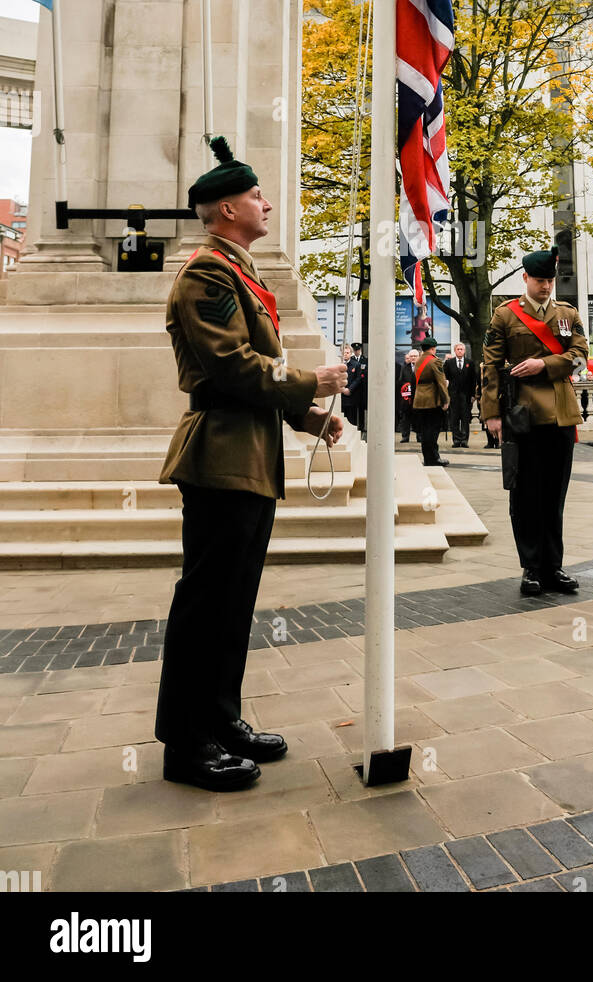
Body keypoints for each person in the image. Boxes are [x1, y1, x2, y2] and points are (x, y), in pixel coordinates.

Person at [155, 136, 346, 792]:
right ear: (228, 208)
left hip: (251, 452)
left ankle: (220, 719)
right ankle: (186, 743)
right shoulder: (207, 273)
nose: (267, 204)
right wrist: (308, 384)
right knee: (207, 602)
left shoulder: (238, 271)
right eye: (257, 195)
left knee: (234, 602)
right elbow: (231, 367)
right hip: (221, 454)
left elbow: (254, 371)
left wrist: (307, 416)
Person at [481, 246, 589, 597]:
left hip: (559, 413)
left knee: (554, 495)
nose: (545, 287)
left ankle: (553, 566)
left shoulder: (567, 314)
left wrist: (544, 364)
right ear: (525, 278)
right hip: (522, 415)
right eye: (539, 280)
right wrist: (492, 414)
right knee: (525, 495)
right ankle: (530, 568)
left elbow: (580, 358)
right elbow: (491, 367)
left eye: (550, 280)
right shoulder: (505, 316)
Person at [412, 337, 450, 466]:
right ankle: (434, 458)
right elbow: (441, 382)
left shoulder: (418, 361)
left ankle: (428, 458)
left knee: (425, 431)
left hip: (420, 399)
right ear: (433, 348)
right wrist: (446, 400)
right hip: (432, 400)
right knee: (432, 431)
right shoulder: (435, 361)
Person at [444, 343, 479, 448]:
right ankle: (456, 440)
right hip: (453, 395)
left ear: (464, 351)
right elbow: (445, 379)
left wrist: (473, 395)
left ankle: (464, 440)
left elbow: (473, 380)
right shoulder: (449, 363)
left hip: (466, 395)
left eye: (462, 349)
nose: (460, 351)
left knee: (465, 418)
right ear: (455, 350)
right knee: (454, 418)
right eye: (458, 349)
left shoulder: (470, 363)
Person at [346, 343, 368, 435]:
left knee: (361, 409)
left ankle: (362, 426)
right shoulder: (352, 361)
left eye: (358, 350)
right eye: (355, 350)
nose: (357, 351)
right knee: (352, 410)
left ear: (360, 350)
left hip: (362, 389)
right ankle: (352, 427)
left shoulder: (365, 360)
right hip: (353, 389)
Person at [397, 349, 419, 442]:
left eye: (415, 356)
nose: (413, 358)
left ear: (419, 357)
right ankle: (405, 436)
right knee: (406, 417)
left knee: (419, 417)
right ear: (409, 358)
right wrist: (406, 386)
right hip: (407, 397)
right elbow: (400, 380)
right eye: (411, 356)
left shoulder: (422, 367)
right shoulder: (404, 368)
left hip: (418, 397)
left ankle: (420, 436)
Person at [478, 361, 500, 447]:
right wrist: (478, 395)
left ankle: (498, 441)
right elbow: (479, 383)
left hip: (496, 396)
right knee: (485, 422)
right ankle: (490, 442)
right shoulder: (482, 368)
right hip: (484, 396)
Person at [340, 344, 356, 426]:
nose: (345, 354)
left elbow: (357, 380)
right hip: (339, 396)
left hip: (350, 396)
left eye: (347, 352)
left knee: (350, 419)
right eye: (344, 352)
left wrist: (350, 389)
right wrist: (342, 389)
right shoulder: (337, 364)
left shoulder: (355, 365)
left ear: (351, 353)